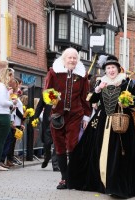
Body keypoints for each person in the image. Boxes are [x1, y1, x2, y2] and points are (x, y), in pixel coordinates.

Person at [67, 55, 135, 198]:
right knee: (96, 150)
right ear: (105, 71)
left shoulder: (127, 83)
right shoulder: (100, 83)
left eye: (113, 67)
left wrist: (126, 103)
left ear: (118, 69)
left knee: (118, 153)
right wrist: (97, 90)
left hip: (120, 123)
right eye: (108, 68)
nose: (111, 70)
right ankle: (102, 183)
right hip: (103, 122)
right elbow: (92, 101)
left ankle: (117, 185)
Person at [44, 47, 91, 189]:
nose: (72, 60)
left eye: (74, 58)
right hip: (57, 114)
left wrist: (86, 116)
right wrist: (53, 100)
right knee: (59, 146)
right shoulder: (53, 72)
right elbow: (47, 91)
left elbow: (85, 97)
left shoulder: (82, 75)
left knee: (72, 144)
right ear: (64, 59)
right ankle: (64, 178)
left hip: (75, 114)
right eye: (69, 58)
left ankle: (72, 176)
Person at [0, 68, 15, 171]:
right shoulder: (2, 86)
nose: (12, 78)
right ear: (7, 76)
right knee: (1, 141)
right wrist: (12, 102)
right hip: (3, 115)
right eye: (11, 76)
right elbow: (3, 102)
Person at [33, 94, 59, 171]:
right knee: (47, 143)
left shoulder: (63, 91)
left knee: (57, 143)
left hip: (59, 121)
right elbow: (39, 107)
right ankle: (47, 157)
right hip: (48, 122)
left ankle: (55, 164)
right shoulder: (47, 93)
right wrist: (35, 118)